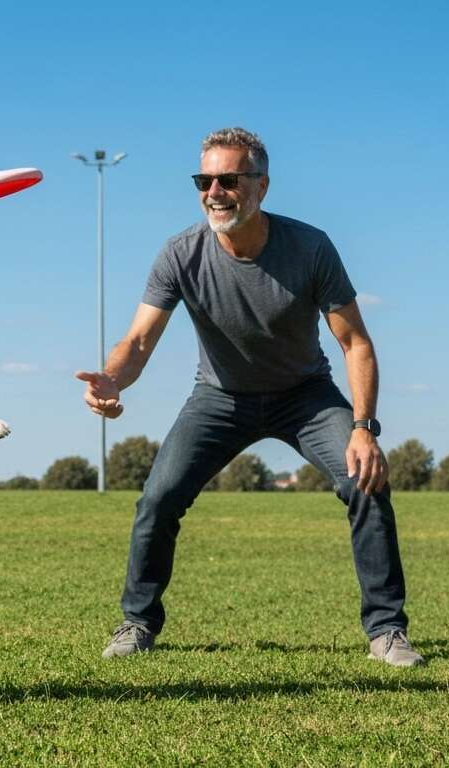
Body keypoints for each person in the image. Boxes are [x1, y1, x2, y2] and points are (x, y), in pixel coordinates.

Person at [75, 127, 424, 667]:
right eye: (204, 180)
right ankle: (138, 622)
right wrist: (112, 380)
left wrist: (364, 428)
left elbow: (355, 342)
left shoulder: (310, 247)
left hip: (305, 396)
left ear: (261, 185)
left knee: (365, 481)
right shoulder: (179, 254)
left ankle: (386, 631)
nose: (215, 191)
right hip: (219, 397)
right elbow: (138, 340)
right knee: (158, 497)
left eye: (229, 179)